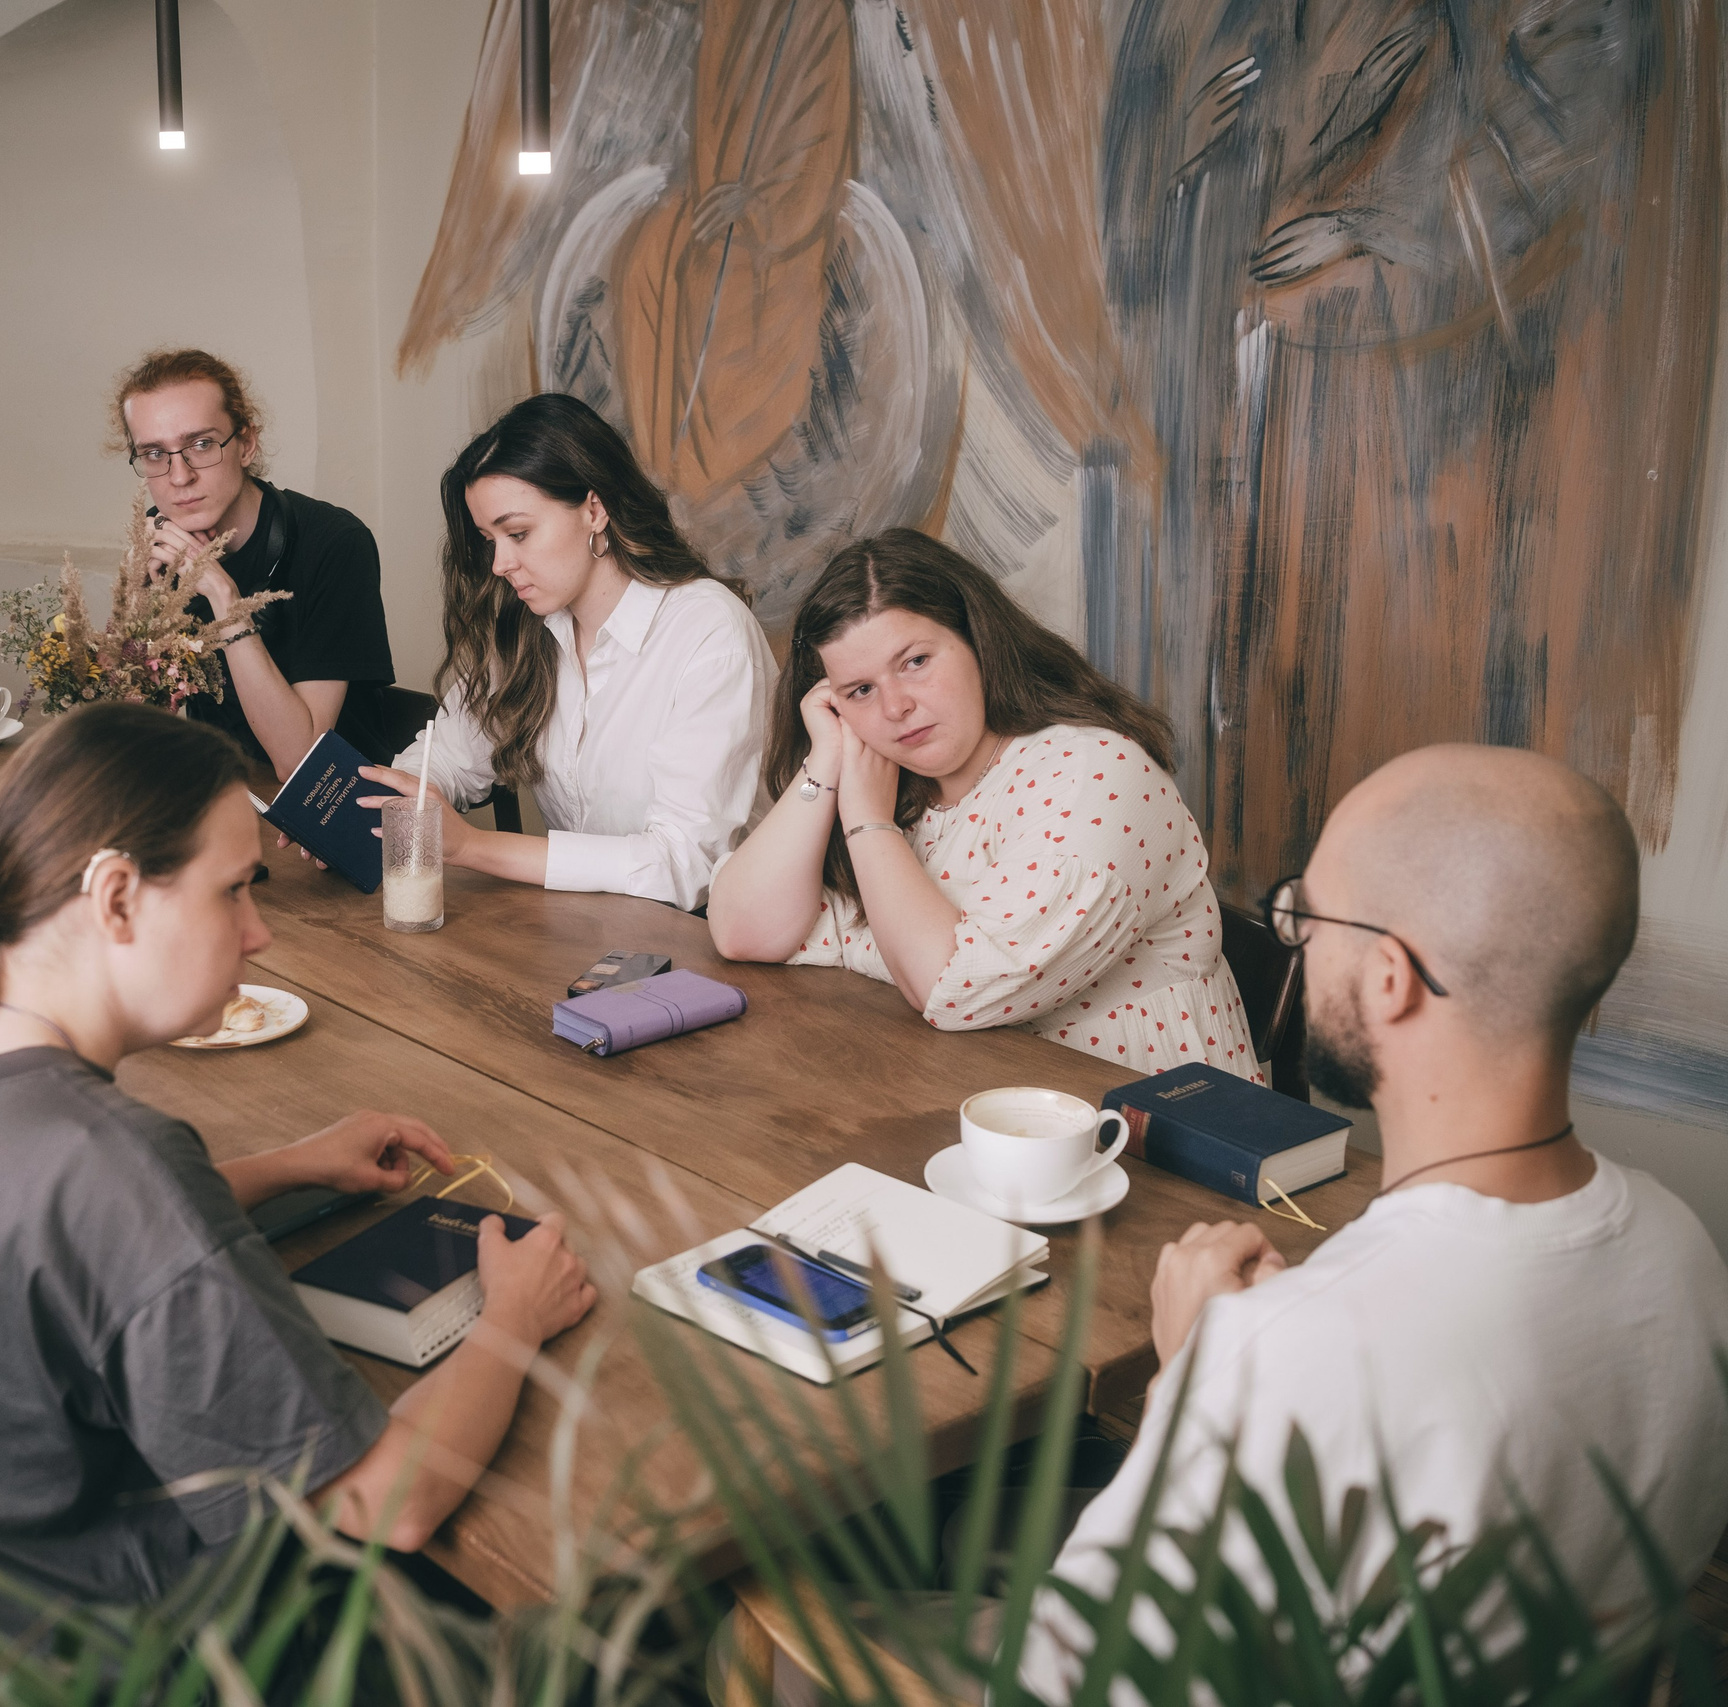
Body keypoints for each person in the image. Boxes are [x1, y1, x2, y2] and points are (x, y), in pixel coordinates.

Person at [0, 702, 596, 1612]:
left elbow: (66, 1247)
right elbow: (384, 1503)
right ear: (115, 897)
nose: (260, 933)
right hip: (113, 1650)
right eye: (234, 890)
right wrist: (514, 1317)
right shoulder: (111, 1164)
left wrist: (290, 1164)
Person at [1020, 745, 1728, 1695]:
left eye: (1305, 915)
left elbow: (1057, 1682)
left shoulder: (1298, 1356)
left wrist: (1189, 1389)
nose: (1298, 942)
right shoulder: (1687, 1252)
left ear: (1391, 977)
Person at [708, 528, 1258, 1078]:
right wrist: (826, 759)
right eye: (860, 691)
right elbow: (743, 931)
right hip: (965, 1094)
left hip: (1143, 1112)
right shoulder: (891, 781)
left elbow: (955, 989)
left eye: (916, 661)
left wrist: (870, 825)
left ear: (978, 640)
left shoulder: (1094, 773)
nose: (896, 707)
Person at [353, 391, 772, 912]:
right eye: (489, 539)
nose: (499, 564)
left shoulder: (709, 633)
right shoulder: (530, 630)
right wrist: (361, 819)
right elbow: (449, 759)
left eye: (518, 533)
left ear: (594, 510)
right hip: (586, 928)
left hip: (713, 933)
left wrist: (473, 846)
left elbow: (684, 866)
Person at [119, 348, 395, 776]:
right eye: (155, 454)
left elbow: (300, 764)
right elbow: (130, 733)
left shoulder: (334, 542)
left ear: (246, 444)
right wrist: (140, 605)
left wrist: (223, 597)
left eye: (201, 444)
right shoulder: (161, 542)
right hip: (227, 787)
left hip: (334, 800)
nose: (179, 476)